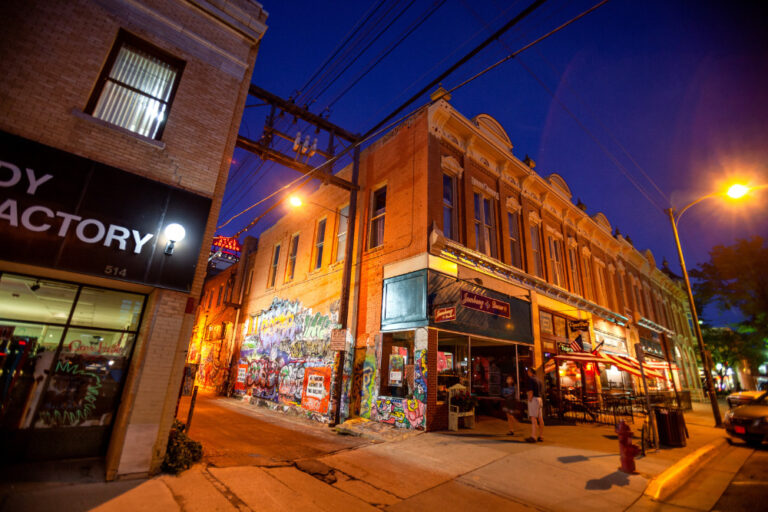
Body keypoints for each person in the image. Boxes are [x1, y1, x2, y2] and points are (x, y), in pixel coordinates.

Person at [525, 367, 544, 443]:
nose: (527, 373)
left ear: (530, 372)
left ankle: (533, 436)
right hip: (539, 399)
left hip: (534, 399)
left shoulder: (531, 379)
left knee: (533, 418)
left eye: (528, 371)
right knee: (540, 418)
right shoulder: (539, 380)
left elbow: (531, 391)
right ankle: (541, 436)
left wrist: (529, 399)